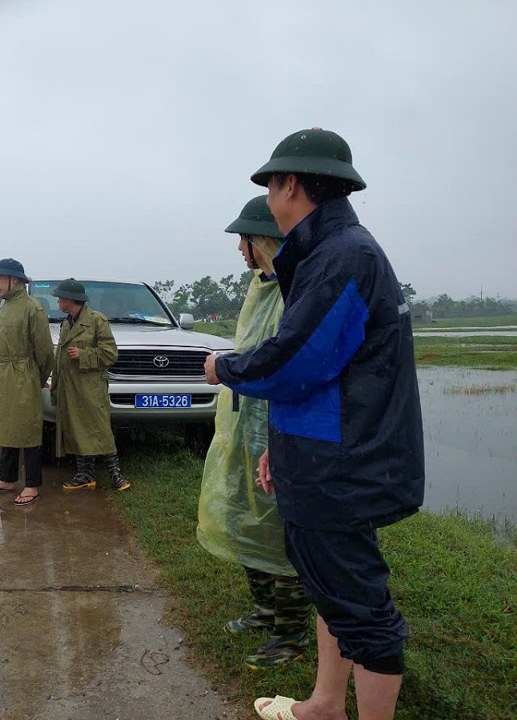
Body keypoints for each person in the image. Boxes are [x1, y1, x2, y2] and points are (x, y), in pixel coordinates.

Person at [205, 128, 424, 720]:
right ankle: (326, 704)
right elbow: (325, 372)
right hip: (318, 452)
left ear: (290, 185)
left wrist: (225, 367)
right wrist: (281, 447)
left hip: (341, 465)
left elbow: (300, 362)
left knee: (361, 606)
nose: (271, 198)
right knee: (330, 588)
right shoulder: (325, 253)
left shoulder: (343, 257)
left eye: (272, 184)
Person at [196, 196, 311, 670]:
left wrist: (226, 367)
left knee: (279, 527)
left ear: (264, 241)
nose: (239, 248)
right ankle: (265, 611)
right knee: (245, 514)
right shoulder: (259, 286)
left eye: (244, 239)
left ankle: (291, 633)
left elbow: (284, 358)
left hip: (276, 423)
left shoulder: (295, 288)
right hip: (243, 422)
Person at [0, 258, 54, 507]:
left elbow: (45, 352)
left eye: (0, 278)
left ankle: (32, 484)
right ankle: (6, 479)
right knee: (7, 425)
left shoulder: (33, 308)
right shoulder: (5, 306)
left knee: (27, 428)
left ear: (15, 280)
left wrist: (38, 379)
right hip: (4, 374)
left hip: (24, 374)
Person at [50, 278, 129, 492]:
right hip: (70, 388)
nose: (57, 301)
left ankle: (116, 476)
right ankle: (85, 475)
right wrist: (55, 385)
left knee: (100, 430)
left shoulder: (96, 321)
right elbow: (59, 359)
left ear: (71, 299)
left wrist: (84, 355)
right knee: (76, 431)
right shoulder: (66, 323)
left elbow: (110, 354)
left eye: (60, 298)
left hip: (90, 388)